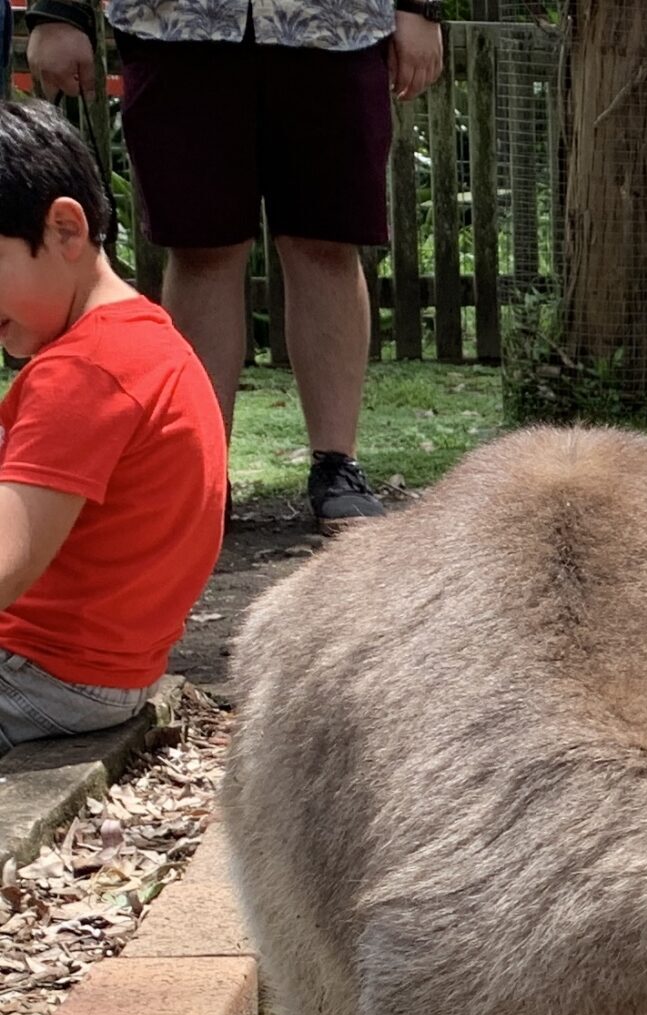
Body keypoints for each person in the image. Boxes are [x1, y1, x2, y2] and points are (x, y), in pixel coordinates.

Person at [22, 0, 444, 528]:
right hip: (176, 26)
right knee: (201, 249)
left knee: (328, 243)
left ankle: (338, 464)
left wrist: (419, 8)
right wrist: (57, 12)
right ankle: (200, 473)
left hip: (338, 26)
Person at [0, 102, 223, 749]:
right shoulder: (145, 343)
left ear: (66, 230)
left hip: (39, 676)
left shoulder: (84, 370)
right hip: (100, 675)